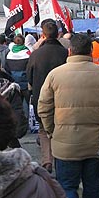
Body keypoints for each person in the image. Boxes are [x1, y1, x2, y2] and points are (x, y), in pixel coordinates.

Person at [38, 34, 99, 198]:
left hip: (64, 145)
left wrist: (52, 131)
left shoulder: (55, 75)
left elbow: (44, 107)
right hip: (96, 144)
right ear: (90, 51)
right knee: (92, 186)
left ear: (70, 51)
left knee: (67, 186)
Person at [27, 20, 68, 173]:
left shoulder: (36, 54)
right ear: (58, 34)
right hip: (63, 98)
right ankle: (59, 161)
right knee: (60, 130)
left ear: (43, 35)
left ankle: (47, 161)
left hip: (41, 98)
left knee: (44, 130)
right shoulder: (65, 53)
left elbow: (29, 77)